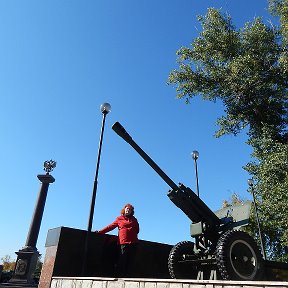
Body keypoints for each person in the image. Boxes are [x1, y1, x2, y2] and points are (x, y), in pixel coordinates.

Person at [96, 203, 139, 277]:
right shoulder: (119, 219)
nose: (128, 210)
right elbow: (110, 226)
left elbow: (137, 230)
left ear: (132, 211)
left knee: (131, 261)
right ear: (124, 210)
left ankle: (129, 277)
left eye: (130, 209)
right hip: (123, 242)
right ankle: (119, 276)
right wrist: (100, 231)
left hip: (133, 243)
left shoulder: (134, 220)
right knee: (122, 260)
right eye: (127, 209)